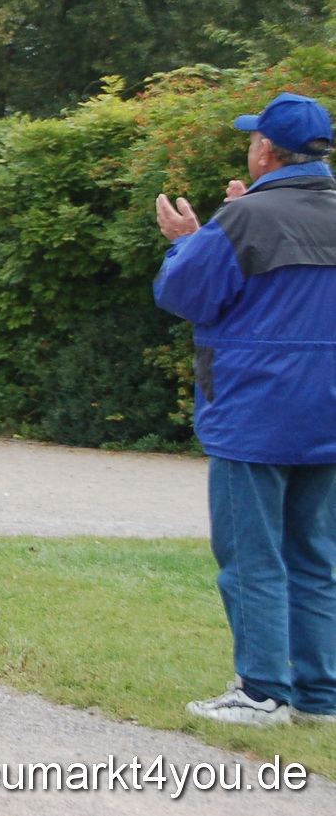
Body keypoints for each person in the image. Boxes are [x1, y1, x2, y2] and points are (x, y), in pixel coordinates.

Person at [155, 91, 336, 727]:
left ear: (266, 150)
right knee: (315, 556)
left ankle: (261, 689)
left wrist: (187, 240)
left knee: (252, 556)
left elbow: (185, 294)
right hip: (329, 413)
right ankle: (319, 696)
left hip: (256, 410)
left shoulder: (246, 220)